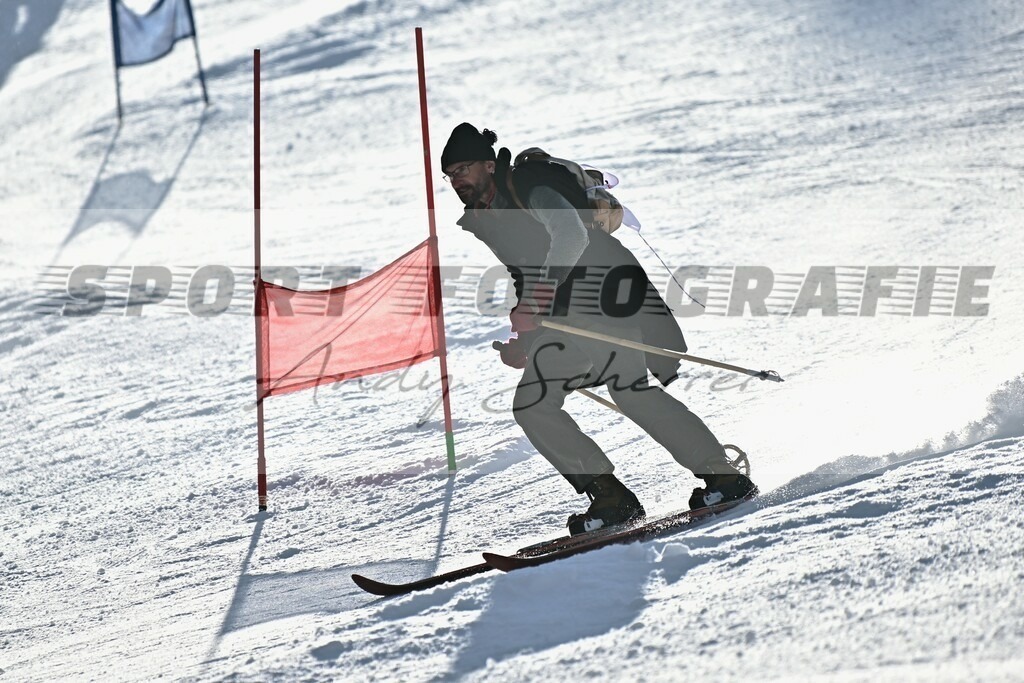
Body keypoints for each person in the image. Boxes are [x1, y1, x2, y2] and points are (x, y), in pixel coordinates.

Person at [442, 122, 757, 534]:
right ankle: (610, 498)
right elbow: (526, 270)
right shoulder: (486, 214)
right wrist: (526, 339)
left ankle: (723, 476)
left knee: (629, 390)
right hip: (566, 318)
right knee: (533, 406)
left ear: (488, 164)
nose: (457, 180)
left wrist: (537, 303)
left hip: (609, 297)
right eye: (450, 175)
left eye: (463, 168)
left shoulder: (529, 186)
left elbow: (571, 236)